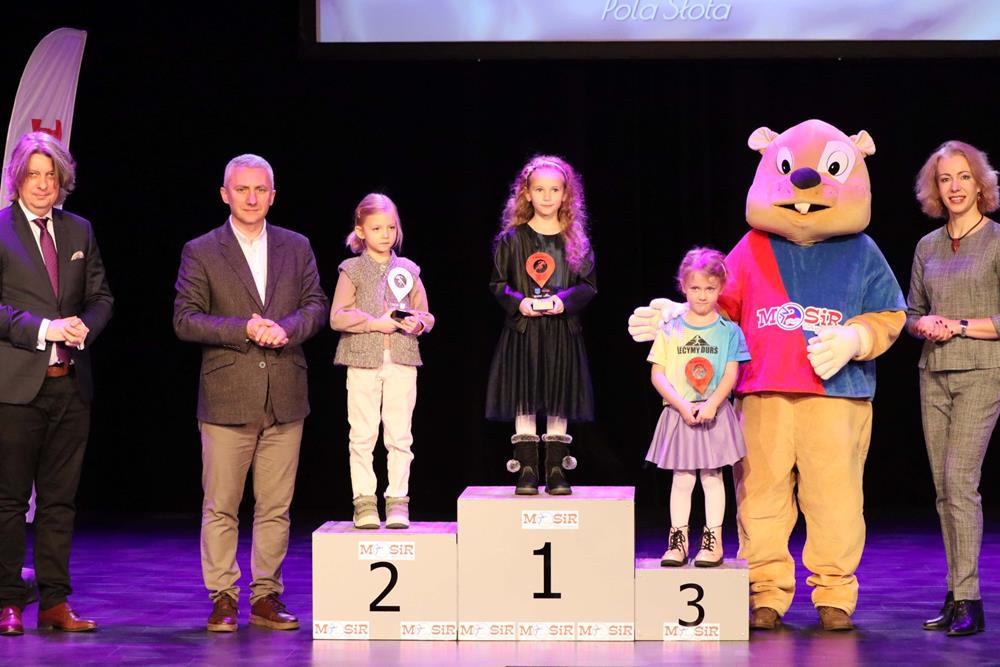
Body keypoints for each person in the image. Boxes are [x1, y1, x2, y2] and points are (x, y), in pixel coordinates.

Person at [173, 154, 327, 633]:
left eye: (261, 189)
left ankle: (265, 596)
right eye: (242, 189)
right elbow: (186, 319)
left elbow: (316, 304)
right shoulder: (201, 250)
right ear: (225, 194)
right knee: (221, 505)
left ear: (273, 195)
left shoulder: (296, 246)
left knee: (275, 506)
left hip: (285, 394)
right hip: (227, 396)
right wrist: (244, 328)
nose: (252, 197)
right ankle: (223, 596)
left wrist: (287, 328)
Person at [0, 132, 113, 636]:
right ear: (18, 178)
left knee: (59, 502)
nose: (43, 184)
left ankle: (54, 603)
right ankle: (8, 601)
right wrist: (45, 328)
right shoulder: (0, 229)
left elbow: (101, 296)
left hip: (70, 386)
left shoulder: (78, 230)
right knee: (8, 502)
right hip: (15, 389)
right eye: (34, 175)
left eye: (51, 175)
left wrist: (87, 324)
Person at [906, 140, 1000, 637]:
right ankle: (954, 592)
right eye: (945, 179)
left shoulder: (997, 241)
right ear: (936, 189)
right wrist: (922, 326)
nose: (955, 187)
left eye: (964, 177)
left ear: (980, 184)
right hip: (934, 373)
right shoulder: (928, 246)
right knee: (944, 491)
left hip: (982, 372)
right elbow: (912, 313)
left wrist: (959, 325)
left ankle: (970, 600)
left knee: (961, 483)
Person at [486, 155, 596, 495]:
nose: (547, 196)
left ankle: (557, 469)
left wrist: (562, 301)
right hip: (524, 332)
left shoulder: (575, 240)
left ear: (566, 195)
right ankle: (528, 470)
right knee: (525, 396)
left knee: (558, 396)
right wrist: (520, 302)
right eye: (539, 189)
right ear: (527, 194)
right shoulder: (512, 239)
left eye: (555, 190)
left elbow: (588, 285)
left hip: (562, 331)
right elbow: (498, 284)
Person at [330, 193, 434, 529]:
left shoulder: (408, 270)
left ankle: (398, 501)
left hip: (402, 359)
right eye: (376, 228)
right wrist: (375, 323)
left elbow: (426, 314)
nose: (385, 234)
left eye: (391, 227)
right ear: (361, 231)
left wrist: (417, 323)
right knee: (362, 435)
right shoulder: (352, 270)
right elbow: (338, 316)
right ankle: (364, 502)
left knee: (400, 435)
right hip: (363, 360)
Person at [646, 248, 749, 568]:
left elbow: (731, 373)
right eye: (695, 288)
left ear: (720, 288)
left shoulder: (729, 331)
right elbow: (658, 374)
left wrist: (712, 404)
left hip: (713, 414)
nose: (702, 295)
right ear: (683, 286)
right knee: (682, 478)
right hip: (680, 413)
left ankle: (712, 542)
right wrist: (680, 405)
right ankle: (677, 542)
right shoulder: (670, 329)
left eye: (710, 288)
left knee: (712, 477)